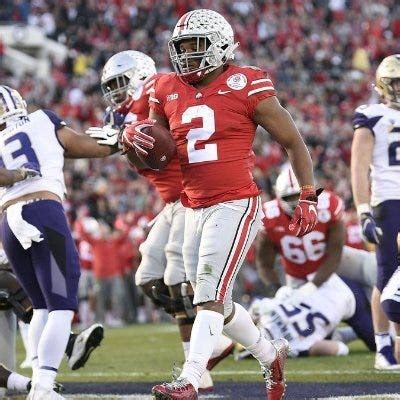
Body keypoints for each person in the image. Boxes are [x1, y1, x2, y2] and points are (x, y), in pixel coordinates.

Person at [122, 9, 319, 400]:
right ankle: (271, 355)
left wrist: (308, 193)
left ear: (220, 45)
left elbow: (293, 141)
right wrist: (133, 144)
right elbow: (155, 155)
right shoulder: (164, 87)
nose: (186, 55)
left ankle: (191, 379)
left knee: (208, 297)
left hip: (235, 202)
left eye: (194, 46)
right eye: (181, 48)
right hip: (192, 206)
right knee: (219, 303)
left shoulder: (246, 83)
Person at [95, 50, 233, 390]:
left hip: (190, 195)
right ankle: (216, 339)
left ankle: (199, 365)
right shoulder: (122, 115)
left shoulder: (158, 90)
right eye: (110, 86)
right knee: (147, 279)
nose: (114, 92)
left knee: (176, 278)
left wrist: (127, 134)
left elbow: (173, 132)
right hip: (170, 204)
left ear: (140, 75)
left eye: (119, 82)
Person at [0, 84, 118, 399]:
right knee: (61, 306)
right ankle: (42, 387)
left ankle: (40, 383)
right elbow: (90, 147)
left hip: (9, 222)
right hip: (42, 212)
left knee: (40, 306)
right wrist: (119, 135)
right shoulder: (43, 119)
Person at [257, 167, 397, 369]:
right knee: (306, 329)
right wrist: (277, 289)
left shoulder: (328, 204)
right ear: (278, 197)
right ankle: (340, 334)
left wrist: (314, 285)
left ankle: (390, 316)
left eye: (301, 195)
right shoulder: (269, 217)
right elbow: (264, 263)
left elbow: (335, 252)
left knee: (381, 270)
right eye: (290, 197)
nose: (297, 202)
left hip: (335, 261)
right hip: (298, 276)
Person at [351, 54, 400, 366]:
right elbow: (358, 167)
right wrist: (363, 210)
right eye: (395, 82)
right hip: (388, 200)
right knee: (387, 273)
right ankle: (383, 346)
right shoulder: (372, 115)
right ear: (383, 84)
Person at [240, 275, 375, 359]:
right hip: (331, 280)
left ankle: (343, 333)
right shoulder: (264, 309)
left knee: (379, 342)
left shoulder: (293, 347)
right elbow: (281, 292)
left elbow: (340, 349)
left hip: (352, 303)